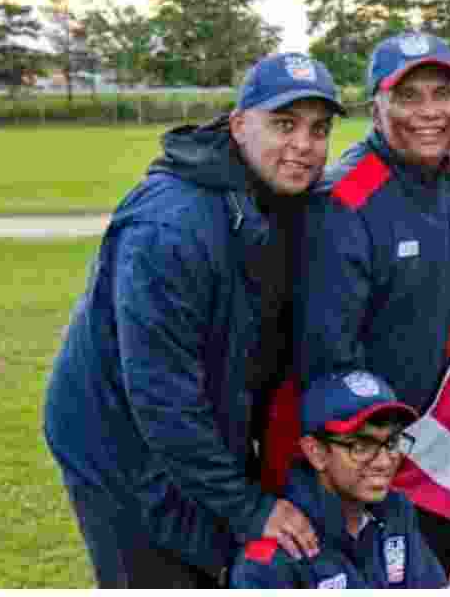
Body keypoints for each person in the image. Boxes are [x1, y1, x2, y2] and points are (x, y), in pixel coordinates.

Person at [44, 53, 345, 587]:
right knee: (162, 569)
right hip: (117, 443)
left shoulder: (279, 195)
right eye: (284, 124)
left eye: (318, 129)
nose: (304, 144)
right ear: (237, 125)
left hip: (195, 424)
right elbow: (162, 399)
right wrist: (249, 507)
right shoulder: (171, 228)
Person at [296, 32, 450, 578]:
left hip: (425, 446)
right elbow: (328, 359)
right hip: (364, 461)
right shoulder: (344, 203)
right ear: (375, 107)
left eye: (442, 93)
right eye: (408, 97)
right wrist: (370, 458)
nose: (430, 112)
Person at [230, 371, 447, 588]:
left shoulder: (395, 512)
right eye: (361, 446)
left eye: (391, 443)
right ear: (316, 453)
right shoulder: (272, 559)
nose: (383, 462)